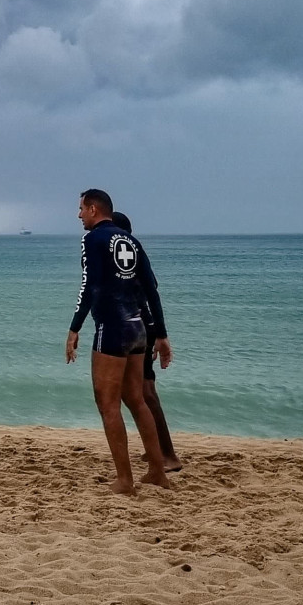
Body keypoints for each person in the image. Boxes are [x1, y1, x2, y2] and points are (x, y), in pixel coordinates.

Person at [65, 189, 170, 493]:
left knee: (107, 403)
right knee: (136, 400)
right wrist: (161, 335)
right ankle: (157, 473)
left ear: (95, 209)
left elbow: (90, 287)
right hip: (137, 328)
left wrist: (74, 328)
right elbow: (151, 288)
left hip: (111, 327)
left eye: (81, 208)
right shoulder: (132, 241)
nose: (79, 214)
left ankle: (125, 481)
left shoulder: (92, 240)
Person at [110, 211, 180, 471]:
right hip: (140, 326)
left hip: (141, 326)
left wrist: (160, 334)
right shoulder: (129, 254)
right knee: (140, 392)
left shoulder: (126, 253)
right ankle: (157, 449)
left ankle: (168, 454)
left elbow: (152, 291)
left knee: (146, 393)